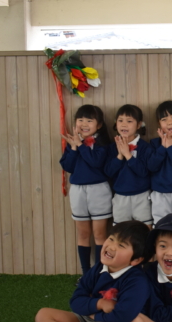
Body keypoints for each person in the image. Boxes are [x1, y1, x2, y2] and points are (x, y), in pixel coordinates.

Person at [34, 221, 150, 322]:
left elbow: (120, 318)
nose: (111, 246)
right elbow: (75, 302)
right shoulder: (99, 268)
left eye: (121, 245)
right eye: (111, 238)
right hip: (91, 320)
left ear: (136, 260)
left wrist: (93, 315)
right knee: (44, 315)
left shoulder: (137, 282)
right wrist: (99, 303)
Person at [60, 105, 112, 276]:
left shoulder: (102, 144)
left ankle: (99, 273)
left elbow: (95, 162)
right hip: (77, 191)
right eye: (80, 120)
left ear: (99, 125)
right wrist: (74, 147)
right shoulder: (73, 143)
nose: (84, 123)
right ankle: (85, 274)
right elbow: (68, 166)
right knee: (83, 234)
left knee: (99, 234)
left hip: (99, 190)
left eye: (89, 120)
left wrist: (80, 145)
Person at [105, 104, 153, 227]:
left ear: (139, 124)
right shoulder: (111, 147)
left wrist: (128, 155)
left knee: (145, 231)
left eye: (129, 121)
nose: (124, 124)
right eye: (120, 120)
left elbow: (144, 172)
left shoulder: (145, 147)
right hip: (120, 197)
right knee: (121, 233)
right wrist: (120, 156)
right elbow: (108, 172)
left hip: (142, 196)